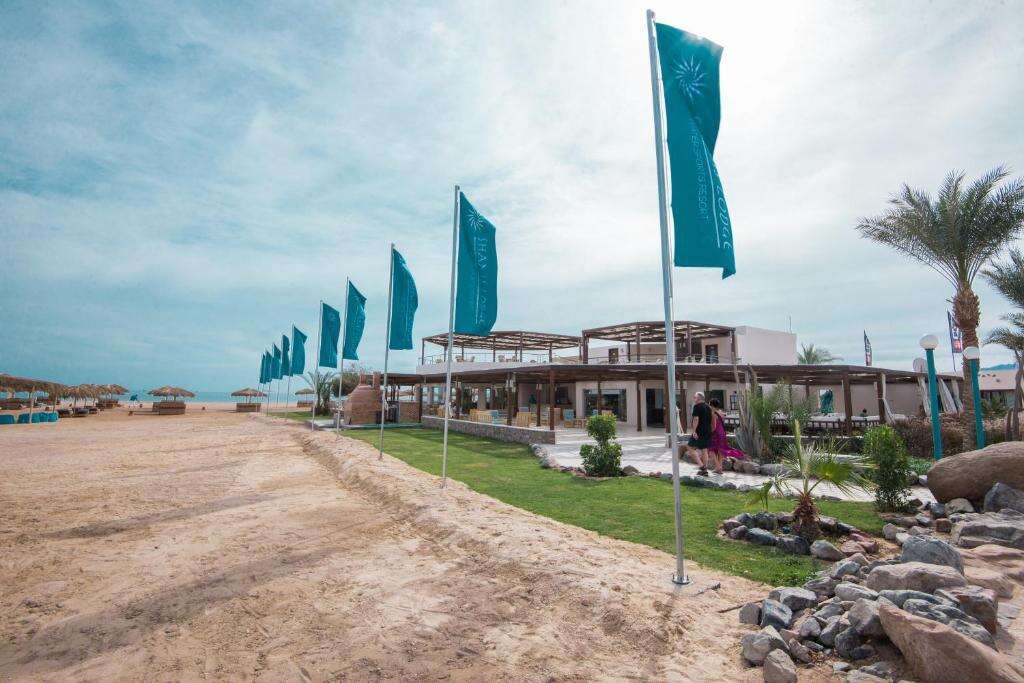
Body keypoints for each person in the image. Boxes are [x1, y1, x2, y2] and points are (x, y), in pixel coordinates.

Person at [708, 398, 744, 468]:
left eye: (709, 404)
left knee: (711, 450)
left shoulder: (712, 413)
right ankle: (720, 467)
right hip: (722, 433)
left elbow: (714, 425)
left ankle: (718, 467)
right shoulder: (721, 412)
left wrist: (710, 432)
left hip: (716, 434)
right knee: (721, 450)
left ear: (711, 405)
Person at [686, 391, 715, 476]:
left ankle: (702, 466)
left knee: (689, 447)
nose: (694, 399)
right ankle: (704, 470)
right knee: (704, 449)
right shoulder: (708, 407)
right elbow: (713, 419)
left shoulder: (697, 406)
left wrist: (694, 431)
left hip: (699, 432)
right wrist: (712, 429)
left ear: (699, 398)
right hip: (708, 431)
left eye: (695, 397)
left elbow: (696, 419)